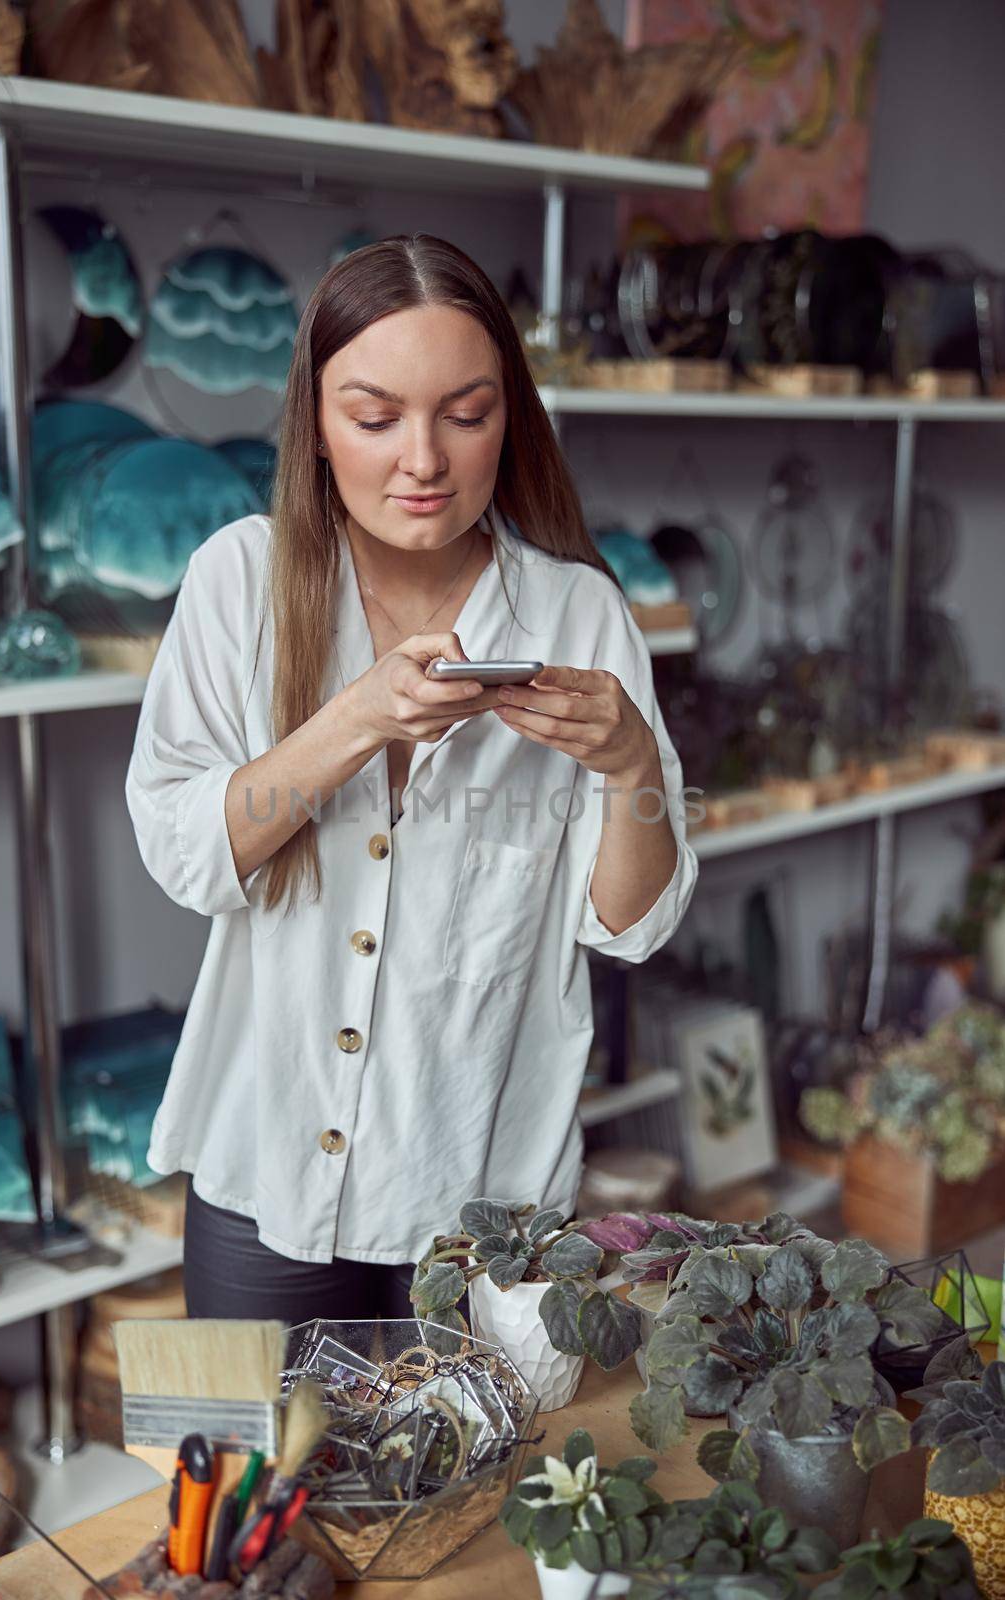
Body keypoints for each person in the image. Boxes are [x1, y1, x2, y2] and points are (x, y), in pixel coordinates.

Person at [124, 232, 699, 1325]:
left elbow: (629, 925)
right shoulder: (239, 581)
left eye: (465, 414)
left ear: (507, 421)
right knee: (273, 1485)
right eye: (375, 417)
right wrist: (356, 717)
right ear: (317, 426)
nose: (422, 460)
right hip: (266, 1179)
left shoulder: (577, 615)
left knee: (467, 1500)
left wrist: (628, 761)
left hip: (483, 1209)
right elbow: (186, 849)